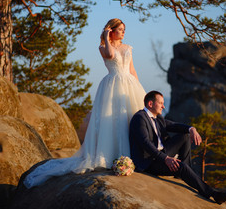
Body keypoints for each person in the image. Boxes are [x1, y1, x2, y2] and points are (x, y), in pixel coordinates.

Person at [24, 18, 146, 188]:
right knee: (112, 121)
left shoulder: (128, 48)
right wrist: (105, 36)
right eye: (120, 29)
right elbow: (110, 56)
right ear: (112, 31)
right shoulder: (103, 47)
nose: (124, 32)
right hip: (112, 84)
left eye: (124, 29)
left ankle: (133, 156)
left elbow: (132, 70)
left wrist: (139, 89)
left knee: (129, 117)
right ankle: (114, 155)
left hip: (129, 85)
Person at [129, 91, 226, 204]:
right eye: (161, 103)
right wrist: (166, 158)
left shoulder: (157, 118)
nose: (163, 106)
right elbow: (145, 143)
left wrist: (191, 129)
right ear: (150, 104)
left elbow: (173, 125)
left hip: (161, 153)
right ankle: (213, 193)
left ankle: (184, 171)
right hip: (149, 161)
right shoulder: (139, 118)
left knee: (185, 136)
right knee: (181, 166)